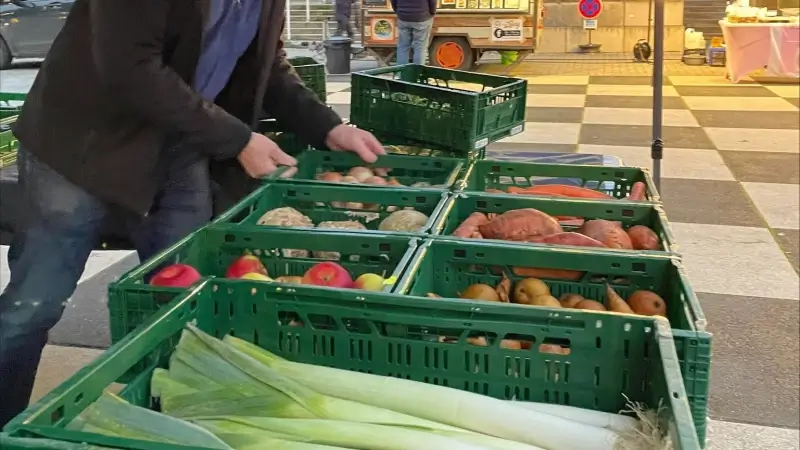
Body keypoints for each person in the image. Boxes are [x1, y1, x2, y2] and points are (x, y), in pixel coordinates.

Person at [0, 0, 384, 428]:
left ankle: (164, 424)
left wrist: (328, 126)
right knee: (35, 303)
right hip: (81, 147)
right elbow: (129, 66)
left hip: (179, 144)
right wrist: (238, 140)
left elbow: (266, 66)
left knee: (183, 299)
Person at [391, 0, 436, 64]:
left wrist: (399, 11)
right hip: (421, 17)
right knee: (420, 47)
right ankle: (417, 72)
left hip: (403, 17)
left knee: (403, 46)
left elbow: (393, 1)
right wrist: (432, 12)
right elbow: (432, 2)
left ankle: (401, 72)